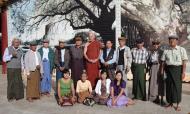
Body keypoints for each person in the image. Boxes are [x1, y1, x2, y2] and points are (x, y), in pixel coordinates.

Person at [161, 35, 188, 111]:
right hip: (168, 70)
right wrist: (162, 71)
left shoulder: (181, 49)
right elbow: (163, 62)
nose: (172, 41)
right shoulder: (166, 50)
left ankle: (178, 104)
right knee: (169, 87)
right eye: (170, 40)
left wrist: (183, 72)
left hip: (177, 70)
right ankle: (170, 103)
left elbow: (184, 62)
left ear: (177, 41)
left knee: (177, 87)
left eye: (173, 40)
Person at [148, 38, 165, 106]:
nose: (155, 45)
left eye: (157, 44)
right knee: (153, 82)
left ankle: (161, 98)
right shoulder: (151, 52)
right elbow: (149, 60)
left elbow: (164, 61)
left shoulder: (161, 52)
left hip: (159, 67)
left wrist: (162, 69)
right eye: (154, 44)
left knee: (160, 82)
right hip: (153, 67)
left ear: (159, 44)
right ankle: (155, 97)